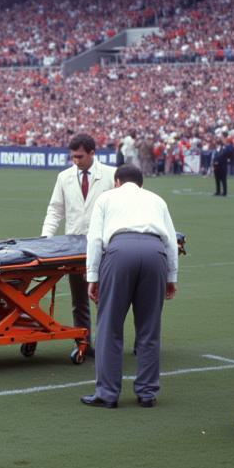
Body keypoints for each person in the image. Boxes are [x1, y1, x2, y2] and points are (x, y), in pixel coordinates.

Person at [81, 165, 178, 409]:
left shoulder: (106, 198)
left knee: (110, 326)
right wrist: (171, 276)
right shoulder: (156, 200)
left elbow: (94, 238)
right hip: (155, 253)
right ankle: (147, 392)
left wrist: (92, 275)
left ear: (116, 181)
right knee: (149, 327)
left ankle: (107, 393)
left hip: (119, 251)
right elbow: (171, 241)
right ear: (141, 184)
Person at [41, 132, 113, 353]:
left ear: (92, 153)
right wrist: (45, 239)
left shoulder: (111, 175)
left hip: (105, 246)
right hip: (74, 247)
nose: (76, 161)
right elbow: (55, 210)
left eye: (80, 156)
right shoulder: (64, 177)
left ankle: (108, 344)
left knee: (106, 298)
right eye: (73, 157)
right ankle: (84, 344)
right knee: (79, 299)